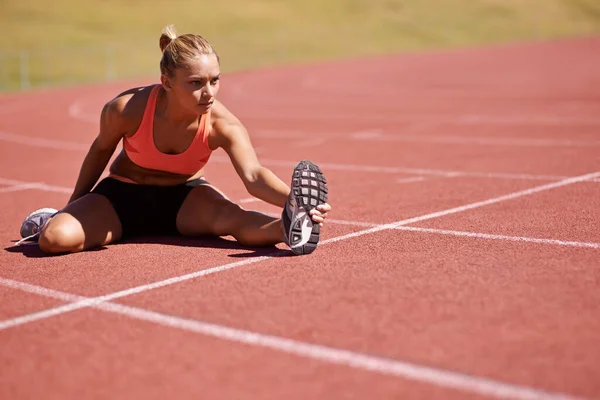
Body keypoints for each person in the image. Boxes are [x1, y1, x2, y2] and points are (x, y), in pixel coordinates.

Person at [20, 25, 331, 256]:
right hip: (122, 198)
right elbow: (100, 150)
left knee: (237, 220)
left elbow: (253, 176)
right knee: (55, 240)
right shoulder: (127, 109)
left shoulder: (223, 124)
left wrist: (296, 201)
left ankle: (289, 227)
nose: (209, 92)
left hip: (184, 199)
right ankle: (47, 219)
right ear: (167, 83)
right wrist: (72, 205)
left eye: (215, 80)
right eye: (195, 83)